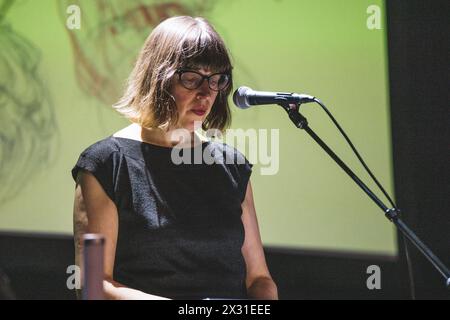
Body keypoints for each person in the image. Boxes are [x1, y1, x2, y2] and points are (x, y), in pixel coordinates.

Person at [72, 16, 278, 300]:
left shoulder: (232, 167)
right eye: (192, 78)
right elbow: (94, 286)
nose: (207, 93)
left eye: (217, 80)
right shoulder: (105, 164)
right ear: (158, 78)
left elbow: (260, 279)